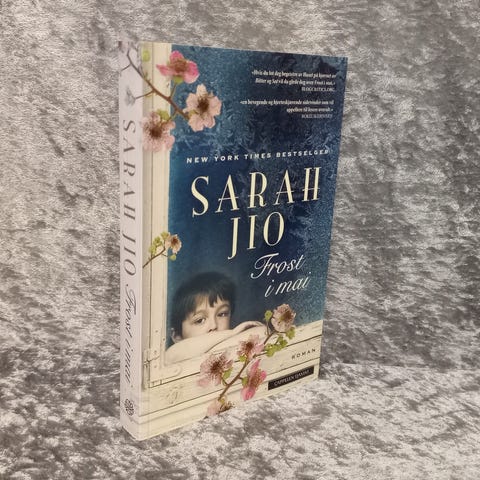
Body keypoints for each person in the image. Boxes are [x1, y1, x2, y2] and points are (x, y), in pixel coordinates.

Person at [165, 272, 265, 363]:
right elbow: (171, 356)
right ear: (177, 336)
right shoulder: (172, 357)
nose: (213, 325)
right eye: (200, 320)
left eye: (222, 314)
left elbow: (262, 331)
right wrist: (233, 332)